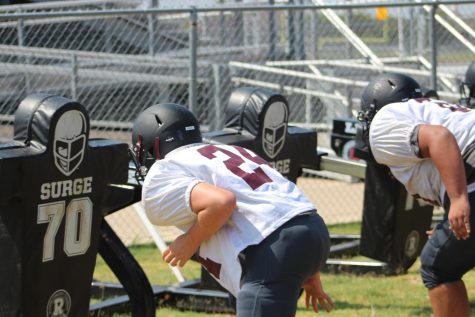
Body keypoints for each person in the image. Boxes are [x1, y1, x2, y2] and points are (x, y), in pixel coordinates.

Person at [131, 103, 335, 316]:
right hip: (313, 229)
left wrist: (189, 241)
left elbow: (221, 203)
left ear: (151, 147)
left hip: (273, 245)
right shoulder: (231, 151)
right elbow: (280, 204)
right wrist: (307, 269)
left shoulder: (165, 169)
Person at [357, 72, 475, 317]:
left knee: (437, 265)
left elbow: (440, 138)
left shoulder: (384, 122)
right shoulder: (429, 109)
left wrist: (458, 200)